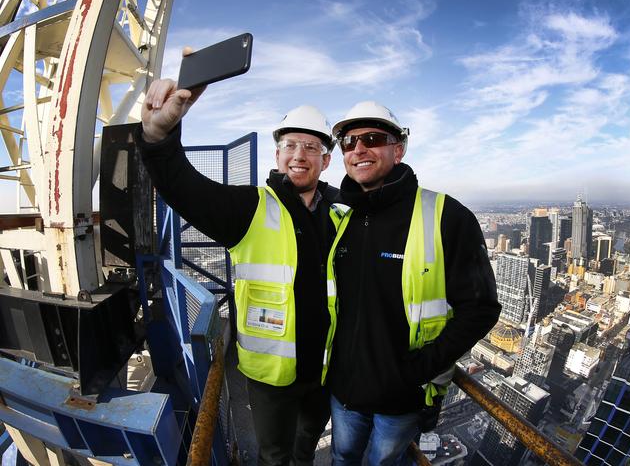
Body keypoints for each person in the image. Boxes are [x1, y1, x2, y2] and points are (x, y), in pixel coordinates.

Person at [137, 76, 342, 466]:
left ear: (325, 160)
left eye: (311, 147)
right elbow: (185, 188)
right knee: (273, 456)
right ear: (277, 155)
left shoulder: (338, 216)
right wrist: (158, 138)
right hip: (271, 376)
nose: (299, 154)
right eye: (290, 145)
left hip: (324, 370)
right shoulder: (250, 208)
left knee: (305, 448)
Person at [321, 101, 501, 465]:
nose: (359, 149)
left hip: (401, 399)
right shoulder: (342, 215)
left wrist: (418, 370)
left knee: (384, 463)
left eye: (372, 138)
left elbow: (481, 307)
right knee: (342, 458)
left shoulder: (446, 216)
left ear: (398, 149)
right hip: (345, 392)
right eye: (349, 141)